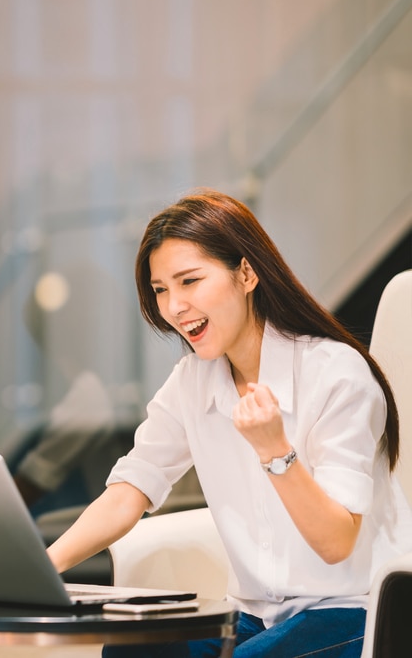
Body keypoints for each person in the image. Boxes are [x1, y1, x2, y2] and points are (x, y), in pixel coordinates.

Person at [46, 189, 412, 657]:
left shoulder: (335, 373)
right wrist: (41, 569)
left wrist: (275, 450)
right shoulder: (192, 380)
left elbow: (336, 541)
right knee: (131, 651)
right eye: (161, 289)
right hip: (253, 617)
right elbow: (129, 491)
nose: (174, 306)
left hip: (353, 612)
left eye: (190, 281)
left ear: (246, 272)